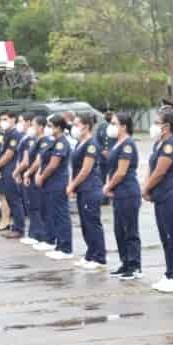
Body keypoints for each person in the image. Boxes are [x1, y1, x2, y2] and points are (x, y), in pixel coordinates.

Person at [144, 110, 173, 293]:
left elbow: (161, 171)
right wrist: (147, 185)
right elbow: (151, 166)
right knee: (165, 237)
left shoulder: (171, 145)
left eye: (157, 122)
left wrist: (146, 188)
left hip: (170, 195)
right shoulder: (159, 144)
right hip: (160, 196)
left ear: (166, 126)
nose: (153, 125)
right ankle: (169, 273)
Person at [102, 112, 142, 279]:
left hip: (128, 191)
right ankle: (125, 262)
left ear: (124, 126)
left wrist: (107, 187)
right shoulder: (117, 143)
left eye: (114, 123)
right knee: (119, 230)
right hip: (119, 192)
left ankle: (134, 266)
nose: (111, 126)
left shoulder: (127, 144)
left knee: (129, 230)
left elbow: (121, 172)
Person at [67, 112, 106, 270]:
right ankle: (90, 253)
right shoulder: (80, 143)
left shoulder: (91, 144)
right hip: (83, 189)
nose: (74, 128)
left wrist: (71, 185)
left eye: (77, 124)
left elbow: (85, 170)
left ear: (86, 126)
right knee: (85, 223)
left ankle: (99, 257)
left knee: (92, 223)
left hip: (90, 187)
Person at [35, 114, 74, 260]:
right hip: (49, 183)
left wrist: (42, 176)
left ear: (58, 127)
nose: (47, 128)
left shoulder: (61, 143)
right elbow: (43, 160)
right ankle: (58, 244)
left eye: (50, 126)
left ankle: (65, 247)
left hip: (57, 182)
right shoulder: (53, 141)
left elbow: (53, 164)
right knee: (52, 214)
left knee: (61, 215)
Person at [0, 112, 25, 239]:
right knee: (10, 200)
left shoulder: (15, 135)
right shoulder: (6, 134)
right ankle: (15, 227)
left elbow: (9, 154)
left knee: (15, 200)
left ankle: (19, 228)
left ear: (13, 119)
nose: (2, 122)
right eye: (1, 119)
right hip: (6, 170)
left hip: (11, 169)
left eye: (5, 119)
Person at [24, 115, 56, 251]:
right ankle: (36, 234)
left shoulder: (45, 141)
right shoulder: (37, 140)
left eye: (35, 125)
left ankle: (43, 236)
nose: (33, 128)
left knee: (41, 208)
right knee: (35, 207)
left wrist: (30, 173)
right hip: (34, 177)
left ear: (41, 127)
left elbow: (39, 161)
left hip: (39, 177)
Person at [13, 115, 41, 245]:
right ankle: (33, 233)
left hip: (29, 175)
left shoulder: (30, 139)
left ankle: (36, 234)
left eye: (21, 121)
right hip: (25, 174)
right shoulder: (25, 137)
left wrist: (17, 172)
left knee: (33, 206)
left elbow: (26, 161)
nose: (20, 124)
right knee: (29, 205)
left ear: (28, 122)